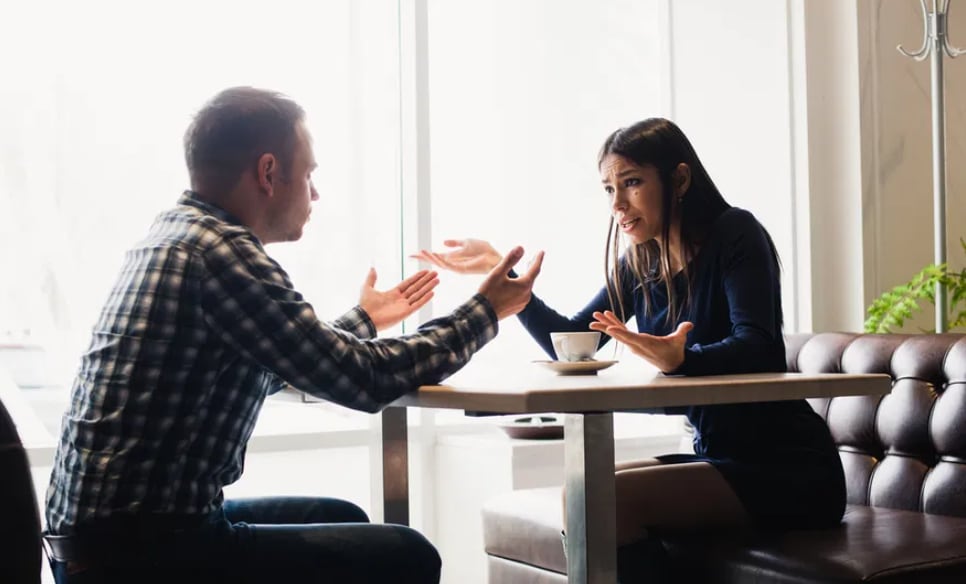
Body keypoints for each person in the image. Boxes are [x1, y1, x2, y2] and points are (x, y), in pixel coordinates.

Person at [43, 86, 544, 584]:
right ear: (268, 173)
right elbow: (364, 379)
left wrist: (365, 320)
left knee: (342, 516)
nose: (315, 193)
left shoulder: (176, 234)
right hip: (144, 553)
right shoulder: (221, 254)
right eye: (309, 174)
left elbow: (278, 366)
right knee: (407, 554)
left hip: (103, 542)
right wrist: (486, 310)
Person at [413, 117, 846, 581]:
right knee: (579, 494)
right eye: (608, 189)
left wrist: (685, 359)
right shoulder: (640, 263)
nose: (618, 204)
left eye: (632, 183)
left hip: (791, 468)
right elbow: (576, 345)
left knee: (604, 500)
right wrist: (510, 284)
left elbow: (758, 347)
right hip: (719, 455)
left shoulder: (736, 233)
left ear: (679, 179)